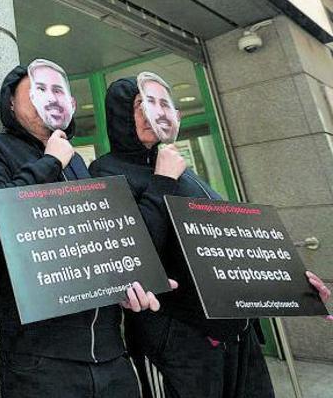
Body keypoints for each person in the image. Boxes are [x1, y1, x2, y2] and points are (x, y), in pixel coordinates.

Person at [89, 74, 331, 398]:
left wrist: (291, 282)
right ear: (120, 114)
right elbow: (130, 254)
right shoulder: (107, 172)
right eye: (142, 103)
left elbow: (228, 243)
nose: (155, 111)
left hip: (236, 333)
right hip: (177, 341)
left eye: (163, 103)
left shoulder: (182, 170)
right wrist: (162, 181)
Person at [0, 60, 172, 398]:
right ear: (11, 103)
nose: (52, 98)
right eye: (40, 90)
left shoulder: (80, 162)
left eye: (59, 90)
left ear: (73, 104)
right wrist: (50, 163)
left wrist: (134, 278)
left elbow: (100, 239)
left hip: (110, 351)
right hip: (42, 357)